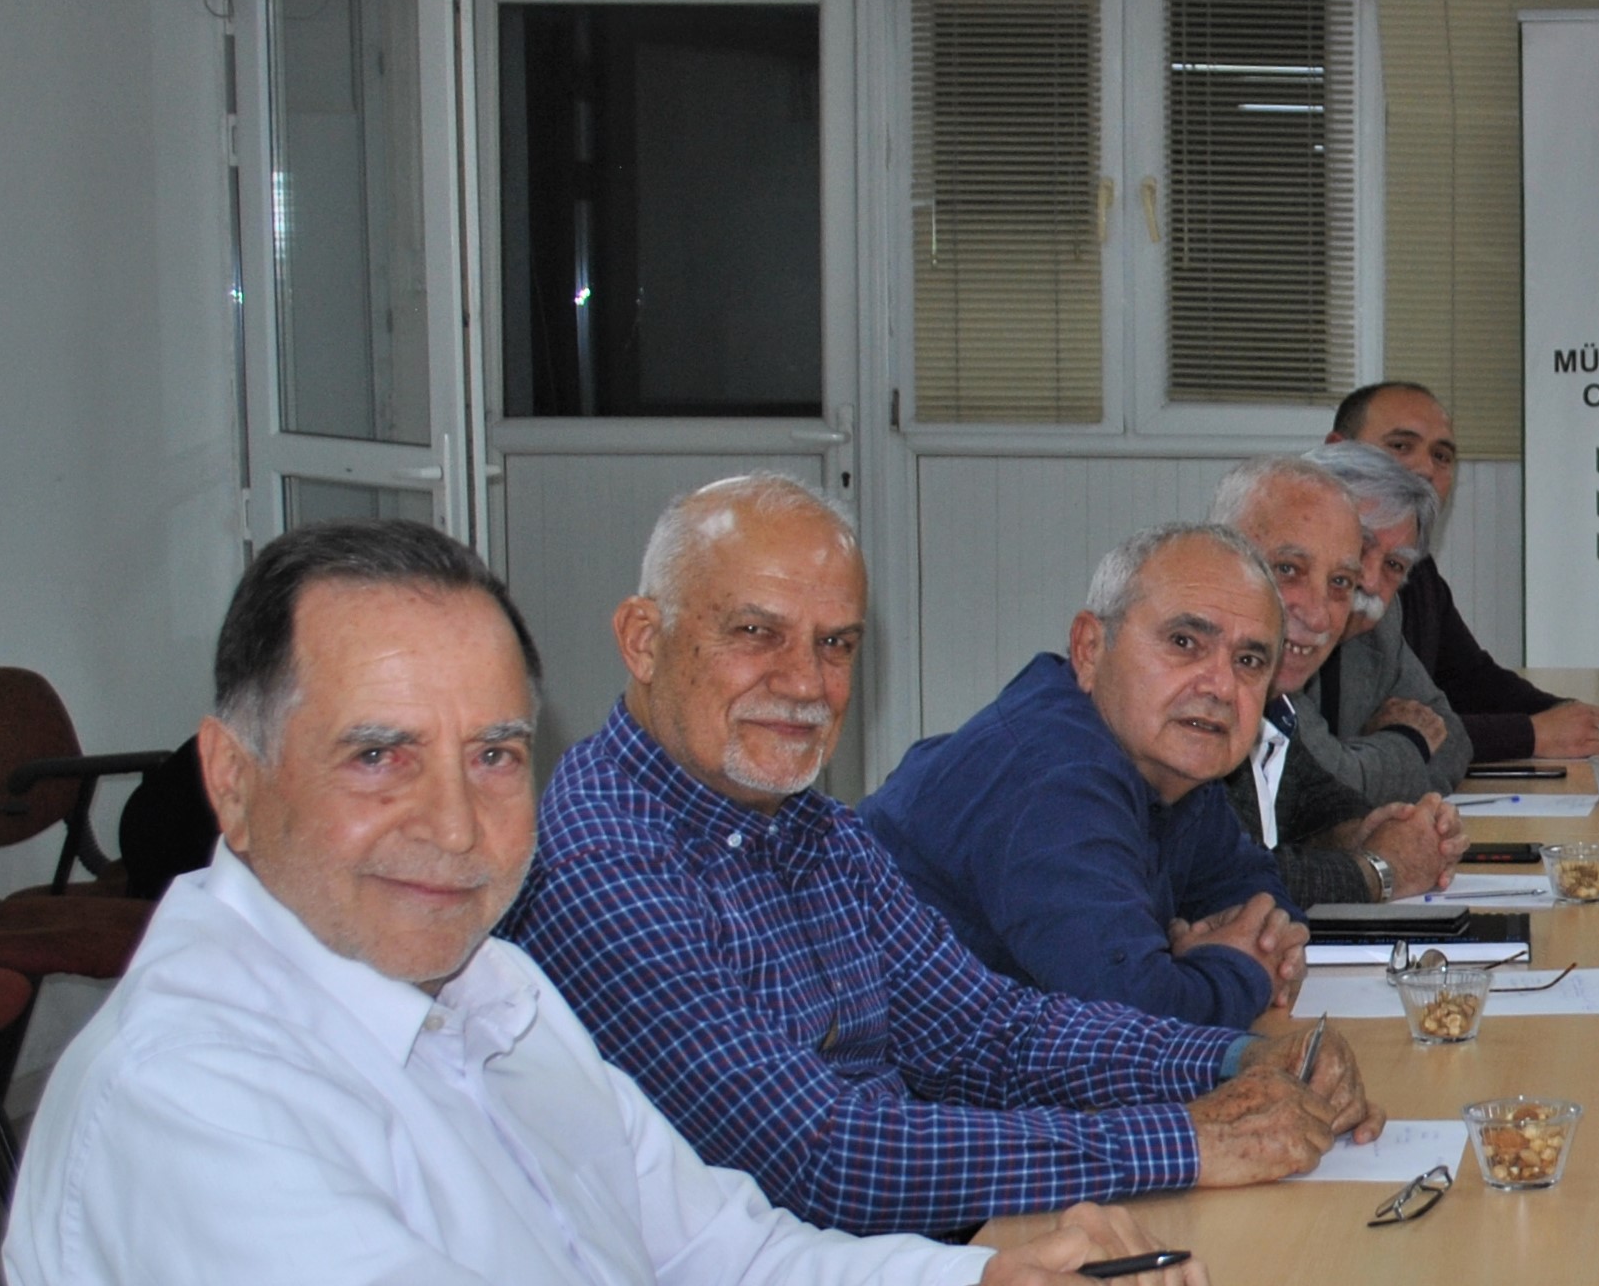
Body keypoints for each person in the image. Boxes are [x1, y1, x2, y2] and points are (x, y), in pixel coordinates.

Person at [2, 519, 1212, 1286]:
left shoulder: (488, 989)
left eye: (493, 755)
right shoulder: (193, 1101)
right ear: (234, 777)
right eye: (378, 755)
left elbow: (726, 1270)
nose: (455, 825)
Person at [508, 475, 1375, 1239]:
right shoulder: (603, 862)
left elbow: (985, 1032)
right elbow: (824, 1157)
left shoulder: (810, 828)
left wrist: (1228, 1060)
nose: (805, 682)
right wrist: (1188, 1139)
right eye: (755, 631)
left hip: (885, 1267)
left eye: (835, 643)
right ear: (643, 638)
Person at [864, 523, 1305, 1030]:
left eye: (1249, 660)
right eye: (1184, 642)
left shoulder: (1166, 764)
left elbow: (1257, 895)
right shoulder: (1052, 778)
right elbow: (1131, 1023)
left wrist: (1249, 946)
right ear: (1090, 648)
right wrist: (1242, 969)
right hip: (869, 1072)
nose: (1222, 687)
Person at [1207, 453, 1466, 904]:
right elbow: (1216, 879)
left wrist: (1367, 830)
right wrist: (1380, 870)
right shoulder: (1188, 694)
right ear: (1218, 556)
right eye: (1289, 570)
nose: (1320, 614)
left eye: (1340, 581)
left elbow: (1315, 800)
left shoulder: (1269, 699)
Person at [1330, 380, 1599, 761]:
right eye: (1400, 446)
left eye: (1441, 456)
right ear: (1337, 452)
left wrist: (1572, 717)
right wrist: (1531, 733)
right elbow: (1357, 736)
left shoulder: (1417, 569)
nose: (1424, 469)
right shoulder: (1314, 583)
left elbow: (1466, 682)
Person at [1293, 440, 1472, 802]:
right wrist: (1410, 740)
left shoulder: (1379, 625)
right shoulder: (1272, 628)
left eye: (1394, 565)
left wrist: (1365, 764)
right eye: (1360, 547)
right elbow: (1323, 784)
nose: (1371, 581)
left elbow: (1452, 740)